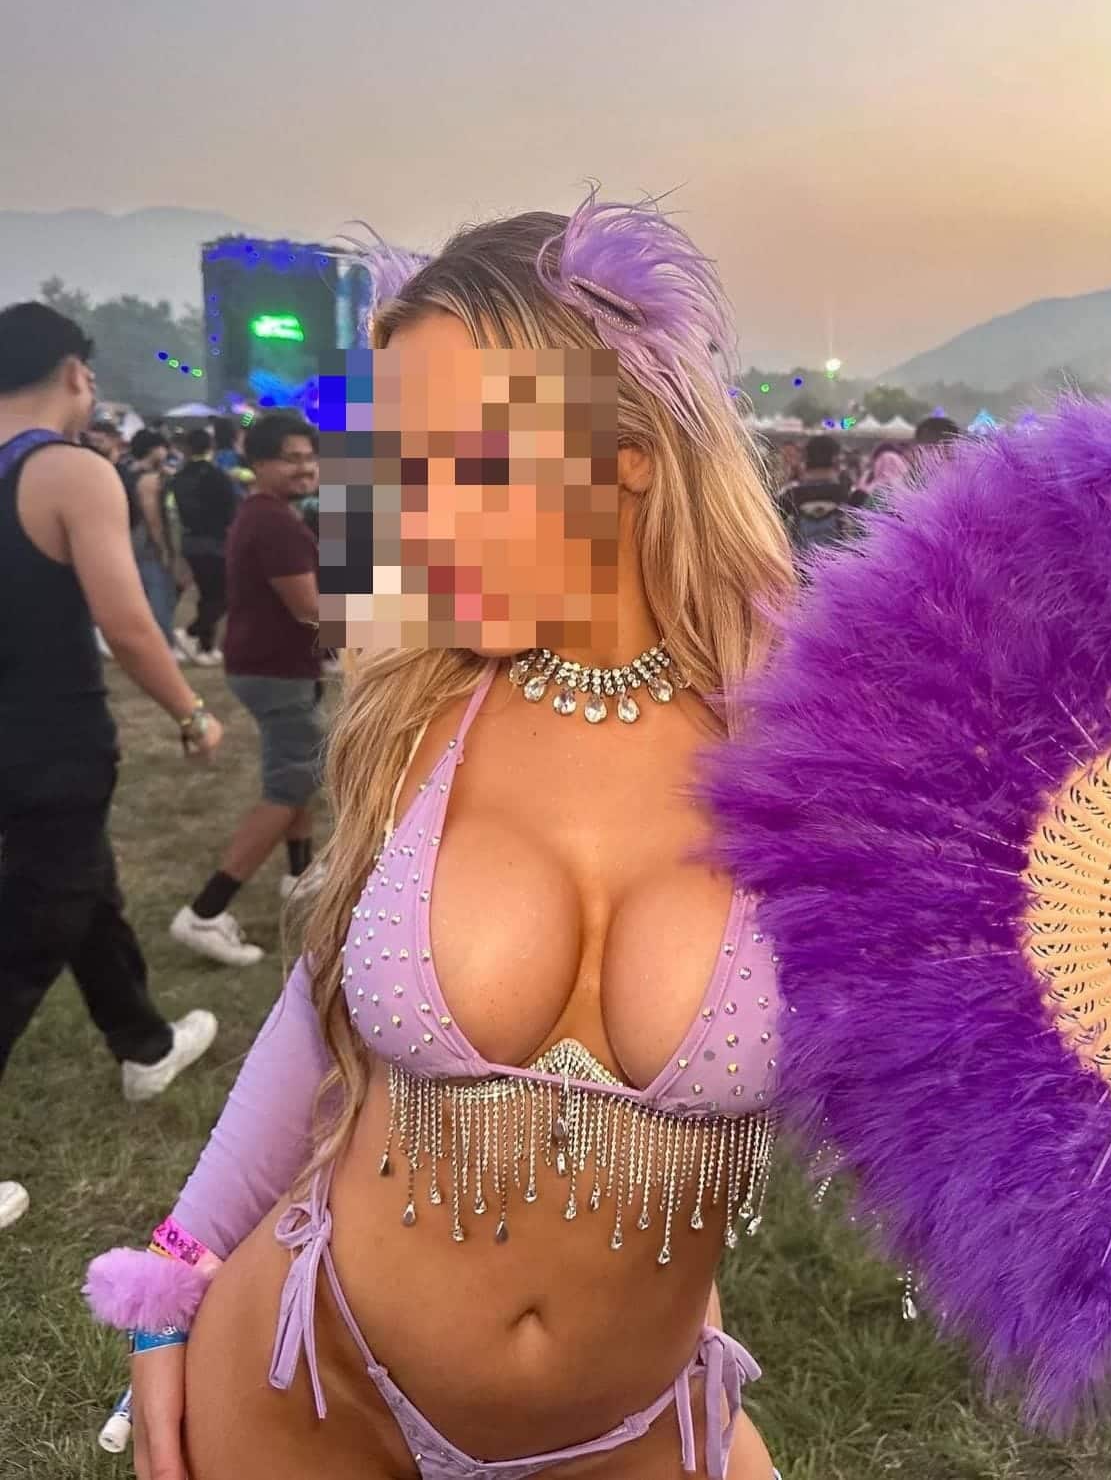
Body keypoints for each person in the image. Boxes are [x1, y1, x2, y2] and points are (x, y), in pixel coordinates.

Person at [103, 195, 794, 1480]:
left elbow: (990, 1072)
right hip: (309, 1379)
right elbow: (321, 1007)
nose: (412, 524)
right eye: (396, 469)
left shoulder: (819, 751)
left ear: (630, 448)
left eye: (461, 462)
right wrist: (174, 1274)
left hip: (631, 1430)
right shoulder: (421, 707)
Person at [0, 302, 225, 1233]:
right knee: (31, 929)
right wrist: (192, 711)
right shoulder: (70, 470)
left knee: (84, 888)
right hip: (50, 739)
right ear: (75, 373)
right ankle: (143, 1043)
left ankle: (144, 1044)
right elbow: (128, 622)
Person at [169, 410, 323, 965]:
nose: (305, 468)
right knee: (289, 785)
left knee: (297, 771)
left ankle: (301, 874)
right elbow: (310, 608)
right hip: (276, 672)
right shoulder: (275, 522)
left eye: (309, 457)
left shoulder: (268, 513)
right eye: (290, 458)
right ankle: (205, 912)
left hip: (271, 666)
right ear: (257, 463)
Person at [170, 426, 239, 665]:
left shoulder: (179, 477)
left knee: (207, 595)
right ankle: (191, 632)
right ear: (210, 446)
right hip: (216, 542)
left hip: (191, 542)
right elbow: (231, 510)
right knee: (224, 596)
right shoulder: (217, 476)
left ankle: (205, 647)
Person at [128, 427, 187, 662]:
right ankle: (164, 645)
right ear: (153, 449)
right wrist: (164, 548)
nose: (166, 452)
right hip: (147, 542)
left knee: (145, 594)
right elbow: (152, 517)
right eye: (162, 447)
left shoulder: (127, 471)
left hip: (131, 540)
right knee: (160, 592)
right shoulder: (149, 480)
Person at [777, 431, 864, 554]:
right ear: (836, 460)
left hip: (801, 562)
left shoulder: (791, 494)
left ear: (806, 460)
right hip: (837, 562)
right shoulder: (848, 494)